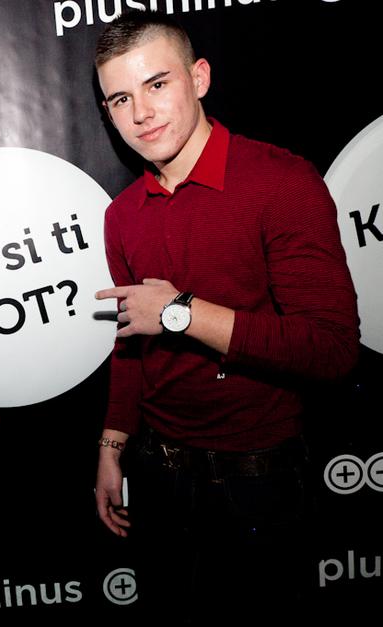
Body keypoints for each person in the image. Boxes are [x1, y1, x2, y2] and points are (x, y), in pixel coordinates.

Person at [90, 11, 359, 623]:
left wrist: (181, 313)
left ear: (199, 78)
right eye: (121, 99)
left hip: (260, 481)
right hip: (157, 475)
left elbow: (331, 348)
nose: (141, 113)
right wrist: (112, 445)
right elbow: (130, 342)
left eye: (158, 84)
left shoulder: (281, 182)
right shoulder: (122, 215)